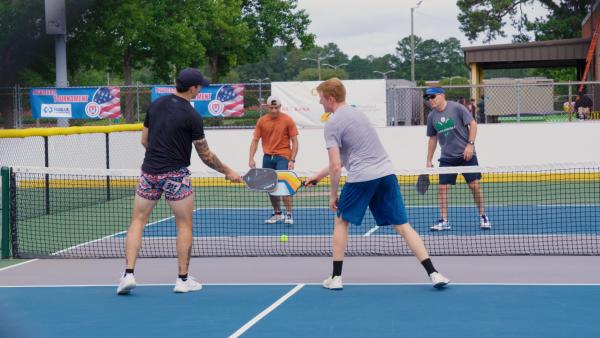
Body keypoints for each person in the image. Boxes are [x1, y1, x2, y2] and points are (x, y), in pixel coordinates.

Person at [306, 78, 449, 290]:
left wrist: (332, 195)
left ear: (330, 98)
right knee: (403, 226)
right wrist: (317, 176)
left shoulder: (333, 124)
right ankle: (434, 273)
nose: (319, 103)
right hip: (385, 174)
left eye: (320, 98)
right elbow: (345, 158)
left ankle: (335, 278)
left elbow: (337, 166)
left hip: (362, 178)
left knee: (341, 222)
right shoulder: (358, 114)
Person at [117, 68, 242, 295]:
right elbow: (206, 155)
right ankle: (182, 280)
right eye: (199, 86)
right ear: (193, 88)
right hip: (176, 176)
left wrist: (158, 156)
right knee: (184, 225)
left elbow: (144, 140)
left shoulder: (155, 105)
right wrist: (227, 171)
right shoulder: (192, 116)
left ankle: (128, 274)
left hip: (149, 173)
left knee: (138, 220)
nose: (200, 89)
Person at [424, 86, 491, 231]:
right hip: (447, 157)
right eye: (428, 98)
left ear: (442, 95)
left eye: (433, 97)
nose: (430, 100)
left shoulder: (458, 108)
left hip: (466, 154)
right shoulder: (431, 116)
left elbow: (473, 124)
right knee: (442, 188)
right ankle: (444, 220)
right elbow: (432, 138)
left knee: (474, 186)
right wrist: (429, 160)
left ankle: (483, 215)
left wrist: (470, 145)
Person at [249, 96, 299, 224]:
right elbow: (255, 140)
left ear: (280, 107)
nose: (274, 110)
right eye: (271, 108)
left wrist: (292, 160)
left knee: (283, 185)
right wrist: (251, 158)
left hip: (283, 156)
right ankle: (277, 213)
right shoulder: (261, 121)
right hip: (267, 158)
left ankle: (288, 214)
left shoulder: (288, 120)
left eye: (276, 108)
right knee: (270, 187)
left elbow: (295, 141)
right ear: (267, 107)